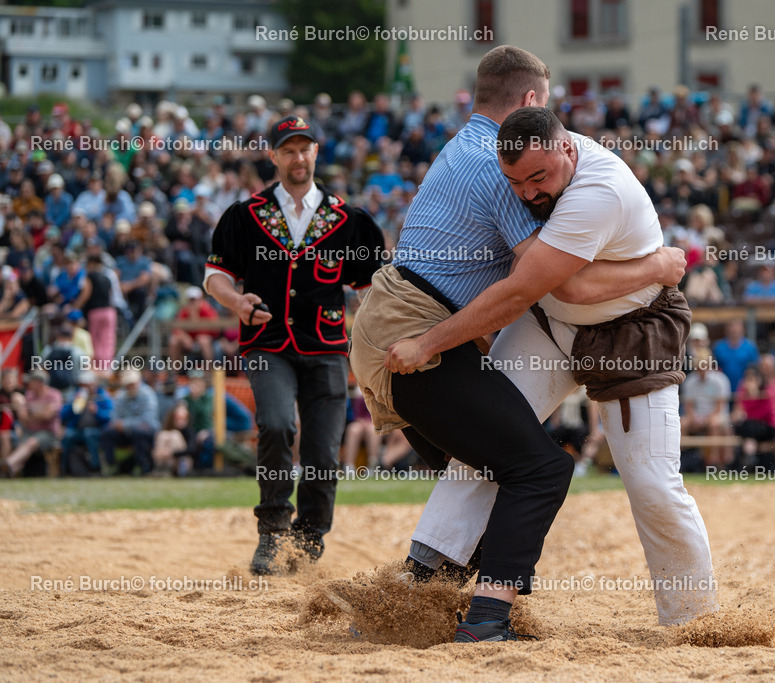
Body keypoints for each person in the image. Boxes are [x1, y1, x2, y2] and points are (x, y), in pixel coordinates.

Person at [377, 105, 714, 632]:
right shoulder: (531, 158)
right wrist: (658, 263)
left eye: (539, 177)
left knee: (651, 482)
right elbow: (564, 290)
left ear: (568, 149)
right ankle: (421, 586)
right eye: (516, 181)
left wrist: (426, 345)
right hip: (551, 325)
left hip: (630, 331)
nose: (530, 192)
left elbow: (551, 287)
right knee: (489, 442)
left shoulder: (597, 192)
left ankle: (695, 621)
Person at [204, 114, 386, 575]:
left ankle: (308, 539)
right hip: (267, 341)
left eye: (305, 148)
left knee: (325, 451)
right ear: (274, 156)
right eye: (288, 149)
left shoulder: (350, 220)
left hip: (326, 346)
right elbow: (215, 276)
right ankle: (271, 531)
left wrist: (379, 340)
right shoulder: (244, 215)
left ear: (316, 153)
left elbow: (370, 292)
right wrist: (236, 300)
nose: (298, 156)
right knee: (278, 424)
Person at [0, 370, 63, 477]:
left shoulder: (54, 395)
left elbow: (47, 415)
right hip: (30, 430)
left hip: (48, 433)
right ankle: (8, 470)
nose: (29, 383)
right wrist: (39, 414)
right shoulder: (29, 395)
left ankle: (7, 464)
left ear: (39, 382)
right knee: (21, 444)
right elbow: (22, 417)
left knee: (31, 442)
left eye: (31, 381)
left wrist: (32, 416)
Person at [100, 369, 160, 475]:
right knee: (107, 432)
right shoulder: (120, 395)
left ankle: (143, 465)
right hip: (125, 432)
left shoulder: (148, 394)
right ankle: (111, 465)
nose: (130, 387)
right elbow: (114, 417)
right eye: (128, 384)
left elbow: (147, 419)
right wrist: (121, 425)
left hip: (147, 430)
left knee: (139, 432)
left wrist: (125, 424)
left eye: (132, 384)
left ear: (138, 382)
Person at [60, 370, 113, 474]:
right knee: (68, 435)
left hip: (99, 431)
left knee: (89, 434)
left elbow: (109, 417)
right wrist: (73, 405)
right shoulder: (75, 395)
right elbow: (63, 415)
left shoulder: (103, 396)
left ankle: (95, 467)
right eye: (82, 385)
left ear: (94, 384)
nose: (84, 388)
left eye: (87, 385)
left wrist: (97, 412)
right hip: (78, 430)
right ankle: (65, 468)